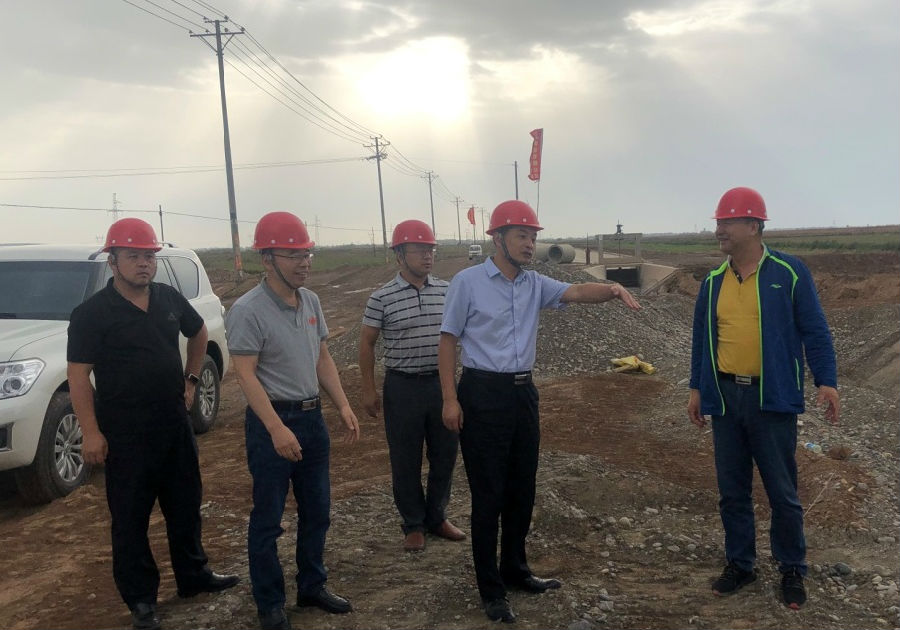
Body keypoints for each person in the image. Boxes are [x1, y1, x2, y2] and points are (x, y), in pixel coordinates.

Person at [438, 200, 641, 623]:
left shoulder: (534, 283)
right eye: (522, 236)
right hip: (481, 394)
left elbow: (575, 292)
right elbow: (448, 340)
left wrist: (612, 290)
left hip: (522, 394)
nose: (530, 244)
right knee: (488, 495)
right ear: (498, 238)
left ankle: (515, 569)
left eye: (533, 237)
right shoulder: (467, 283)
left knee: (522, 488)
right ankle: (491, 590)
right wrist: (450, 399)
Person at [67, 218, 239, 630]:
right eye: (134, 256)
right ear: (113, 261)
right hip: (125, 432)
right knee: (130, 519)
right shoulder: (91, 314)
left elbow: (199, 334)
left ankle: (193, 576)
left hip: (173, 423)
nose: (144, 263)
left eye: (149, 256)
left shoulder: (168, 298)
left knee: (185, 505)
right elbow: (78, 375)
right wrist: (90, 432)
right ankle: (141, 599)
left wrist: (192, 380)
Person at [687, 186, 840, 610]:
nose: (719, 230)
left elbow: (814, 329)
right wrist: (697, 389)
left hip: (770, 399)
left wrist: (826, 380)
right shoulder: (713, 281)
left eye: (727, 222)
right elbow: (701, 340)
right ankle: (741, 564)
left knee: (782, 491)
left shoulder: (789, 272)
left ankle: (792, 568)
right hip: (725, 399)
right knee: (732, 491)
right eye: (719, 222)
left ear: (754, 225)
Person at [226, 211, 360, 630]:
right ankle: (270, 604)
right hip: (273, 422)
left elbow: (322, 358)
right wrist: (275, 428)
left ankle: (311, 585)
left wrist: (342, 404)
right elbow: (245, 375)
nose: (305, 263)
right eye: (294, 255)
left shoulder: (311, 301)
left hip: (311, 418)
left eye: (307, 254)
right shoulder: (247, 310)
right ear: (267, 259)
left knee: (317, 509)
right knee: (268, 519)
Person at [359, 219, 465, 553]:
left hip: (441, 385)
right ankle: (413, 524)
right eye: (419, 250)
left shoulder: (448, 291)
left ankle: (437, 517)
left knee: (445, 453)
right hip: (402, 388)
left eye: (430, 250)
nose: (427, 256)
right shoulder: (381, 298)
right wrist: (368, 389)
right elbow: (367, 344)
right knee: (405, 459)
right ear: (400, 255)